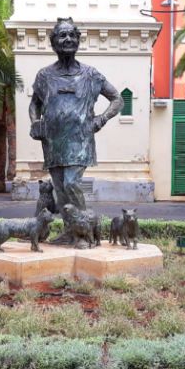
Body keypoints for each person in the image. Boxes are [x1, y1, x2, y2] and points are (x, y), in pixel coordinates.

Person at [28, 17, 123, 241]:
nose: (68, 39)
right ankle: (71, 233)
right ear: (53, 43)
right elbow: (35, 104)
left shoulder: (91, 74)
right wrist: (34, 122)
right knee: (60, 189)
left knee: (71, 183)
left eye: (72, 35)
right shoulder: (44, 75)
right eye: (63, 35)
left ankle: (84, 233)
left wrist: (101, 119)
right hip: (53, 141)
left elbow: (117, 99)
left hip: (80, 140)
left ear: (78, 40)